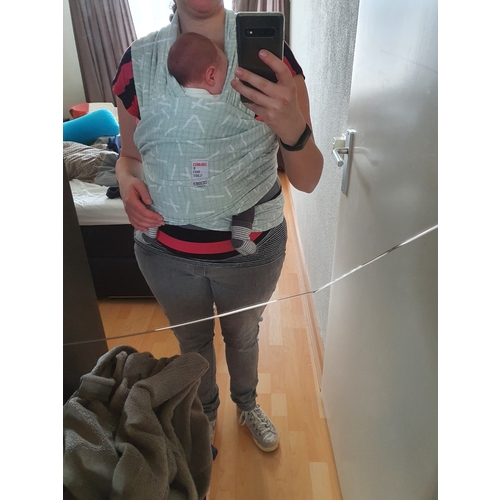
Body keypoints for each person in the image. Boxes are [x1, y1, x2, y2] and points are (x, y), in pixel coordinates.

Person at [112, 0, 323, 453]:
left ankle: (246, 403)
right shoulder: (137, 63)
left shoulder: (272, 59)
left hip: (250, 252)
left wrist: (292, 125)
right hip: (165, 253)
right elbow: (128, 158)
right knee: (191, 340)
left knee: (243, 337)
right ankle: (205, 410)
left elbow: (307, 180)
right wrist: (127, 185)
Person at [167, 31, 257, 254]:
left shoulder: (170, 105)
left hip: (180, 177)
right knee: (254, 180)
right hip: (217, 175)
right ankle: (240, 233)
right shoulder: (221, 107)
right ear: (211, 75)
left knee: (156, 184)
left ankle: (148, 228)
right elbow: (241, 136)